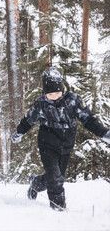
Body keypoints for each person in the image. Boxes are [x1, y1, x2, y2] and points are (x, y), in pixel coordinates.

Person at [11, 67, 110, 211]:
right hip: (47, 145)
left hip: (66, 146)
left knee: (56, 178)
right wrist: (19, 132)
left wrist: (104, 133)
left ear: (62, 89)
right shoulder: (41, 104)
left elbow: (88, 119)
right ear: (45, 92)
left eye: (57, 92)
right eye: (50, 94)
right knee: (55, 179)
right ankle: (58, 210)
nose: (54, 96)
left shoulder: (73, 100)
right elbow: (28, 120)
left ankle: (35, 183)